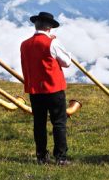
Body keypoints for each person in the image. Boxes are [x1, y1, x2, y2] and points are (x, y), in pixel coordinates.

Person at [20, 12, 72, 165]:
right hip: (53, 89)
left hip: (35, 90)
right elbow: (66, 62)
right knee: (59, 123)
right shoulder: (52, 43)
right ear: (49, 27)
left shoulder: (24, 44)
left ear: (36, 25)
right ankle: (60, 157)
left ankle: (41, 156)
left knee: (39, 123)